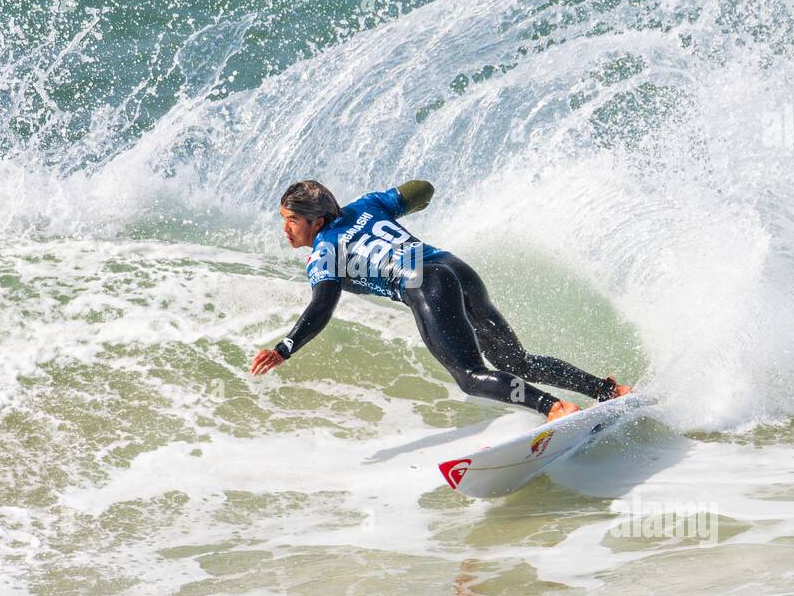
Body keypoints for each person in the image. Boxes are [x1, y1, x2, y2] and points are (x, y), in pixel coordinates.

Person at [249, 179, 631, 422]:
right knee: (517, 361)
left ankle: (553, 407)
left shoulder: (324, 251)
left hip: (426, 283)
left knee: (470, 376)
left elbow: (321, 305)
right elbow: (422, 189)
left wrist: (285, 348)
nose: (286, 229)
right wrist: (406, 206)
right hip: (454, 268)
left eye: (291, 220)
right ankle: (607, 390)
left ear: (315, 222)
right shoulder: (368, 205)